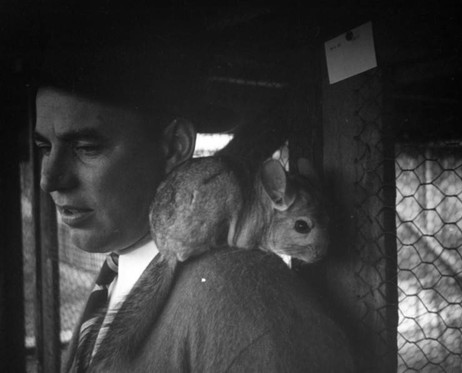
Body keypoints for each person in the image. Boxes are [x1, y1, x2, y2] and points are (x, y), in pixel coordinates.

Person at [35, 7, 353, 373]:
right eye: (44, 148)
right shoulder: (117, 269)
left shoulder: (239, 296)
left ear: (174, 146)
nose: (49, 179)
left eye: (87, 148)